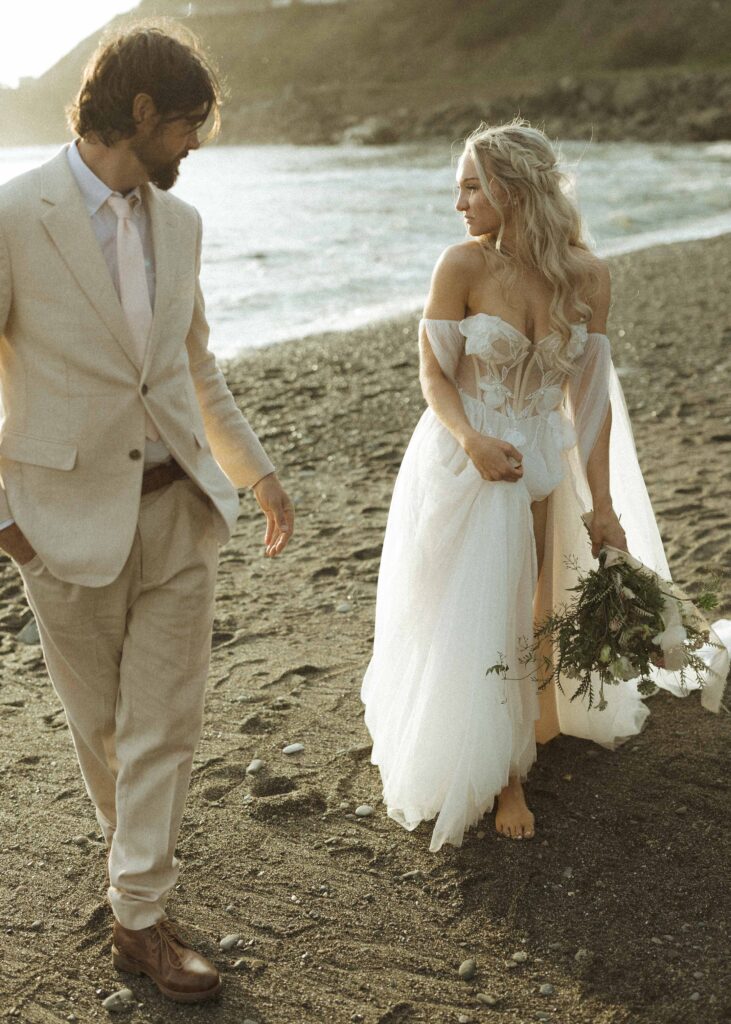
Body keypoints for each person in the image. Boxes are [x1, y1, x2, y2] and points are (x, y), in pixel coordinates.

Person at [0, 25, 293, 1003]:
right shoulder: (13, 213)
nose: (196, 144)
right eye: (188, 123)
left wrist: (254, 474)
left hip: (178, 510)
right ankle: (141, 886)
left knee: (163, 724)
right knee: (103, 735)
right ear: (139, 114)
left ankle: (139, 920)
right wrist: (8, 521)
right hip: (58, 519)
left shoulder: (183, 226)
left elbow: (192, 364)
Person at [360, 120, 727, 854]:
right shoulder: (459, 265)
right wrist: (470, 440)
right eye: (459, 186)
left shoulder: (585, 277)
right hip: (465, 461)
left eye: (471, 185)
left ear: (514, 188)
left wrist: (605, 508)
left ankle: (530, 724)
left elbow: (589, 406)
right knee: (477, 613)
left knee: (532, 609)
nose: (459, 201)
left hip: (541, 461)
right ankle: (504, 776)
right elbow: (433, 375)